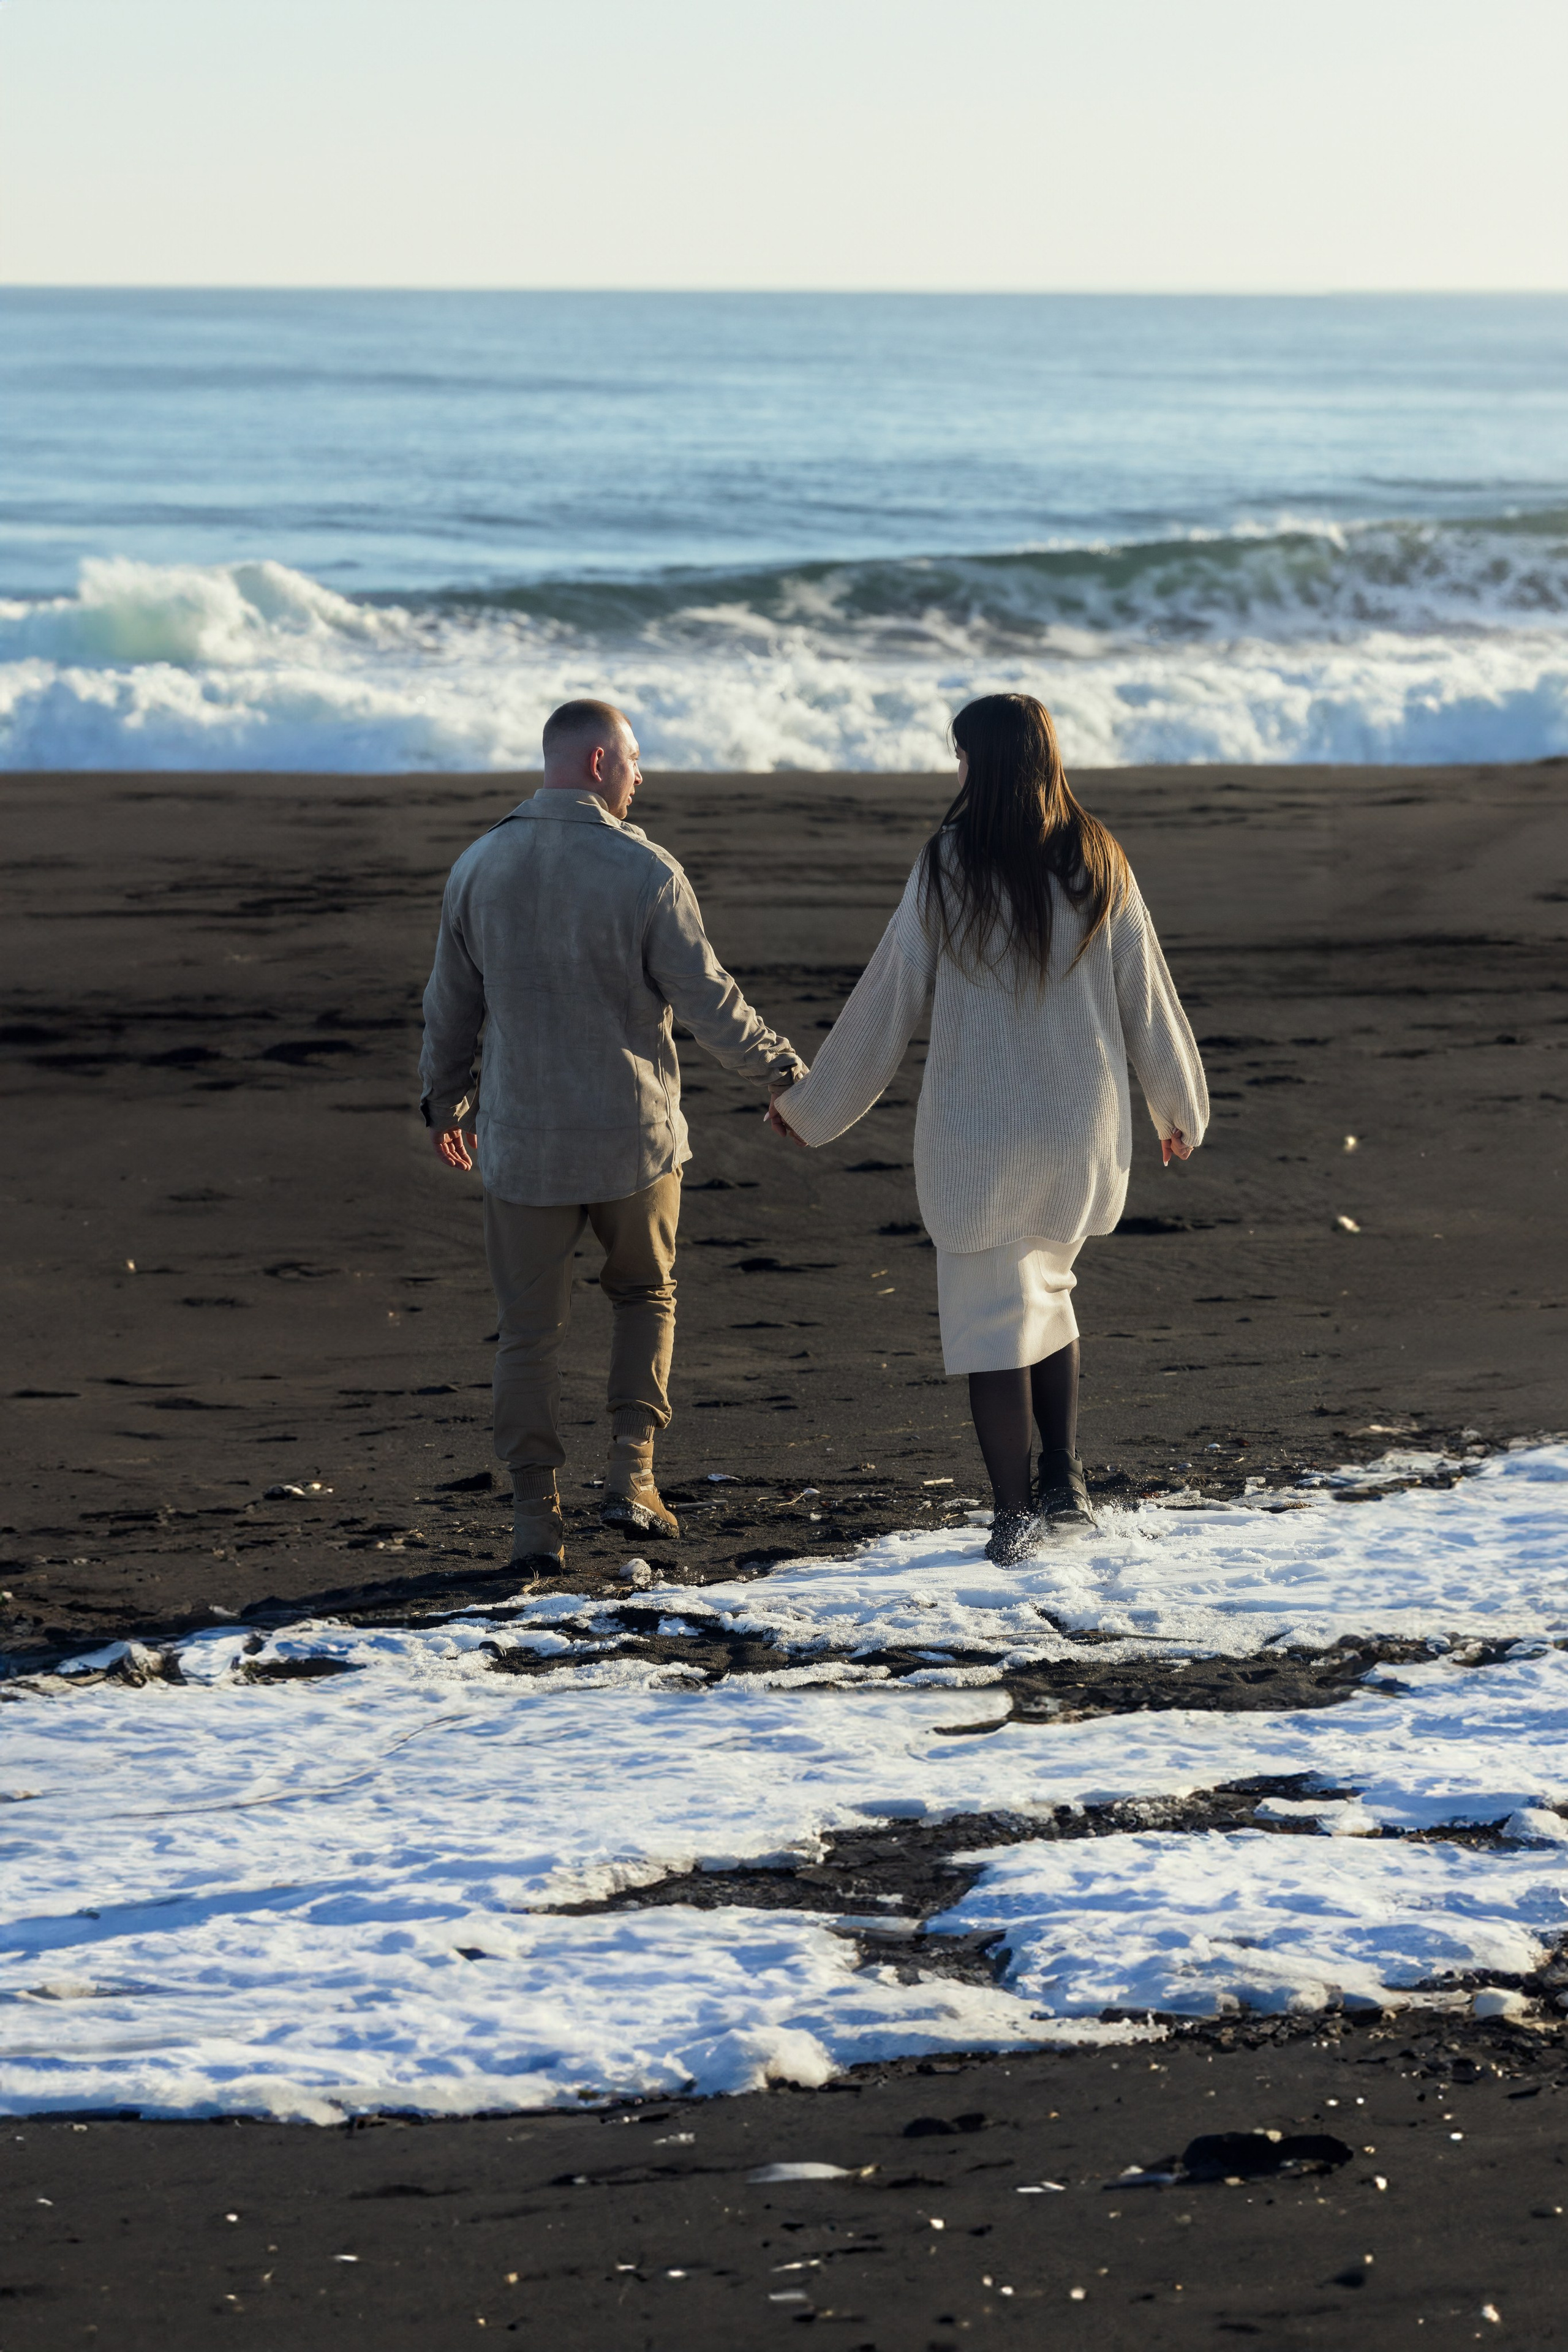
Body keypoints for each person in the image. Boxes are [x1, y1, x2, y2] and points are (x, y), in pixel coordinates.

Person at [767, 692, 1207, 1566]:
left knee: (987, 1319)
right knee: (1046, 1290)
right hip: (1079, 1126)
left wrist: (812, 1109)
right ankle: (1064, 1483)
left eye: (962, 755)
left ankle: (1014, 1517)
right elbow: (1145, 992)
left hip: (980, 1135)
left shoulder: (949, 865)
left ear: (990, 762)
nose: (956, 770)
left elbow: (888, 1000)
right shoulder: (1097, 858)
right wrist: (1178, 1106)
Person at [421, 699, 807, 1570]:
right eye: (634, 760)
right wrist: (785, 1075)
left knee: (528, 1332)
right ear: (598, 764)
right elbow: (712, 1004)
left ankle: (533, 1518)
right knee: (644, 1296)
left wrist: (445, 1103)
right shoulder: (646, 873)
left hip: (521, 1144)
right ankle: (633, 1476)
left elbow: (450, 1008)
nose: (643, 776)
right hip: (635, 1139)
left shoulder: (477, 867)